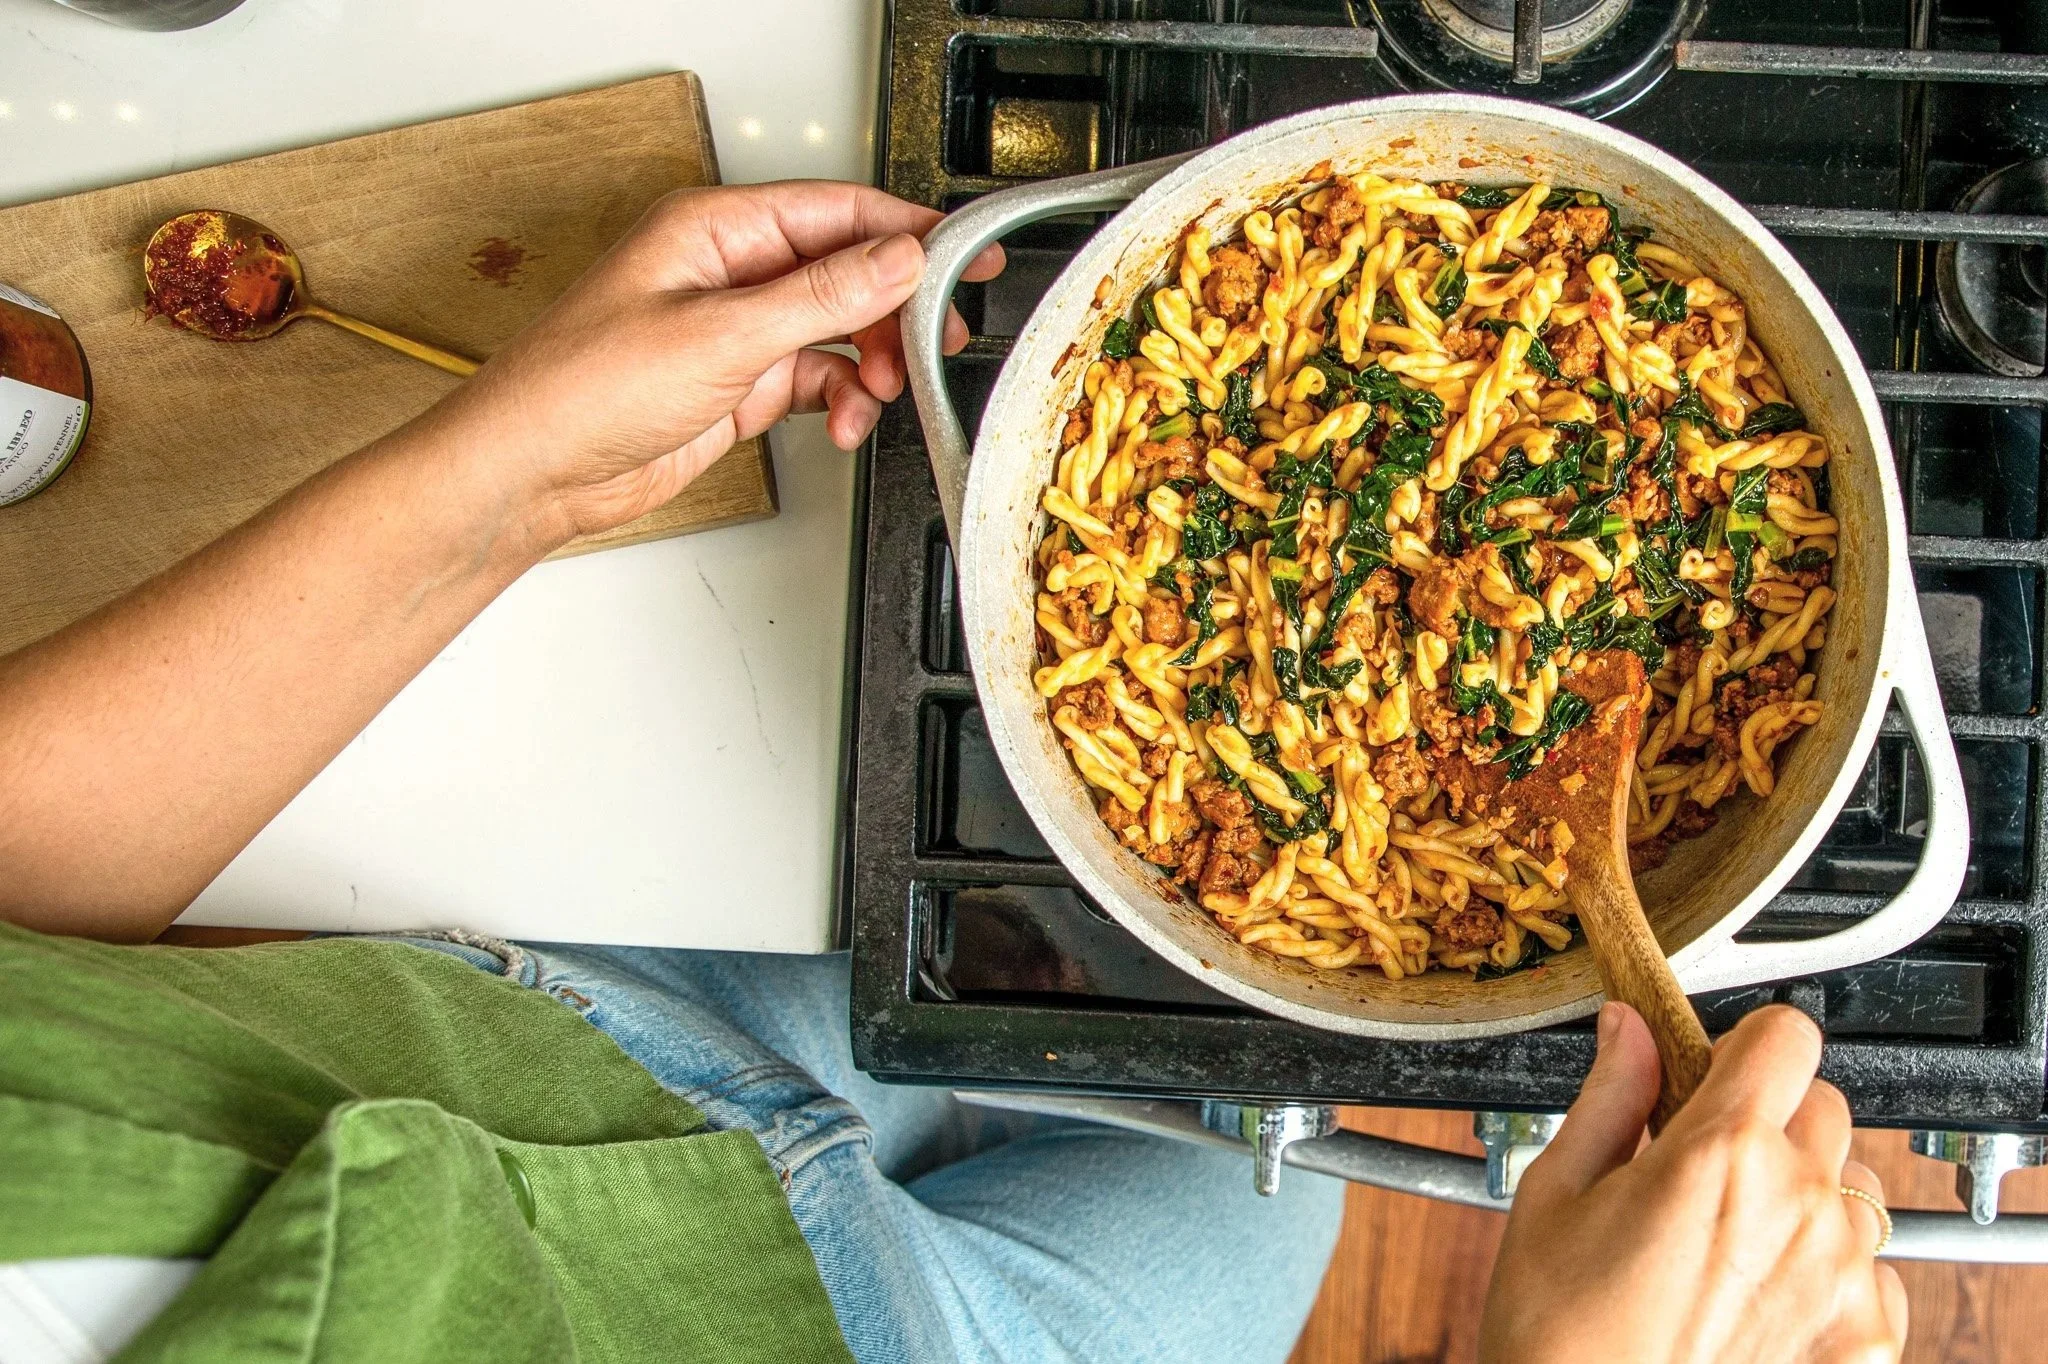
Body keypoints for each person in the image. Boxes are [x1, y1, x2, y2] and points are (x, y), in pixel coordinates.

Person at [0, 180, 1906, 1364]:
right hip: (850, 1335)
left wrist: (510, 480)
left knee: (1264, 1192)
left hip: (532, 1034)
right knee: (1262, 1209)